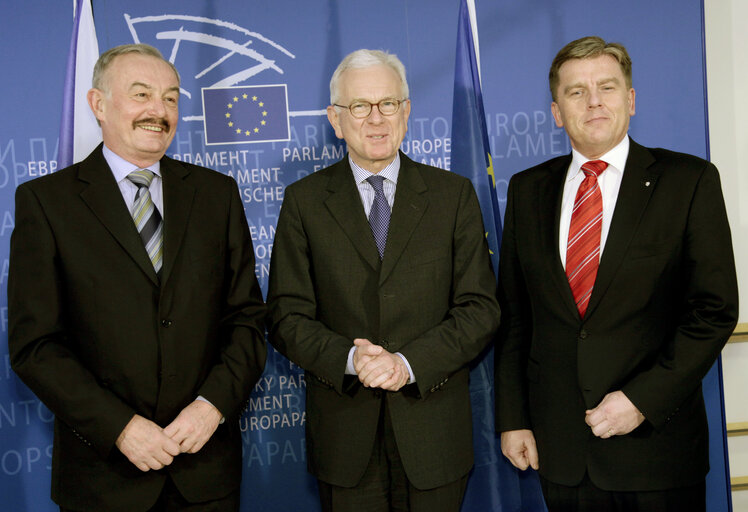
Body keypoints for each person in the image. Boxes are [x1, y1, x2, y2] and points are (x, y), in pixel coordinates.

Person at [8, 44, 266, 512]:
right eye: (141, 94)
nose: (159, 111)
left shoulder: (217, 195)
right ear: (98, 104)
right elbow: (35, 347)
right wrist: (120, 428)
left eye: (170, 97)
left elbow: (247, 320)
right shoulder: (46, 204)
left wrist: (212, 406)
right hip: (103, 478)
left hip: (205, 473)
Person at [495, 36, 738, 512]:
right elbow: (515, 319)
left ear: (630, 100)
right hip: (561, 453)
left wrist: (641, 400)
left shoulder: (689, 181)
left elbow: (713, 312)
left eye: (606, 87)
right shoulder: (527, 191)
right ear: (556, 112)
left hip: (656, 451)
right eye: (576, 92)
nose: (593, 101)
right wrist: (514, 418)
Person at [267, 49, 500, 512]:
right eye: (360, 106)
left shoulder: (452, 196)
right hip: (345, 439)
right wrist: (352, 358)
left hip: (434, 436)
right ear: (336, 120)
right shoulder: (304, 202)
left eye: (388, 104)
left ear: (406, 111)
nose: (376, 119)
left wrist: (407, 363)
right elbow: (285, 316)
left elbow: (480, 309)